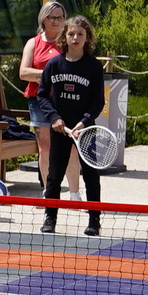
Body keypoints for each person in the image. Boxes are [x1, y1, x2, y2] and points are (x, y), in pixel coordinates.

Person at [36, 14, 107, 236]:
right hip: (60, 129)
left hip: (85, 130)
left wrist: (83, 122)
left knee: (91, 174)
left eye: (80, 34)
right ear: (64, 37)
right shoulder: (54, 65)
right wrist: (54, 118)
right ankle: (50, 218)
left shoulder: (94, 67)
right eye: (71, 34)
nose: (76, 38)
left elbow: (98, 101)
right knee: (54, 175)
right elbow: (42, 95)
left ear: (88, 38)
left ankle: (94, 220)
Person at [16, 0, 66, 184]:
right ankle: (47, 188)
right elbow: (23, 73)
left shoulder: (67, 43)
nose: (56, 21)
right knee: (45, 146)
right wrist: (49, 75)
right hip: (39, 100)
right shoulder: (33, 43)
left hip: (65, 99)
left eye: (60, 18)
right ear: (43, 19)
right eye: (52, 17)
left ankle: (71, 189)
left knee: (66, 146)